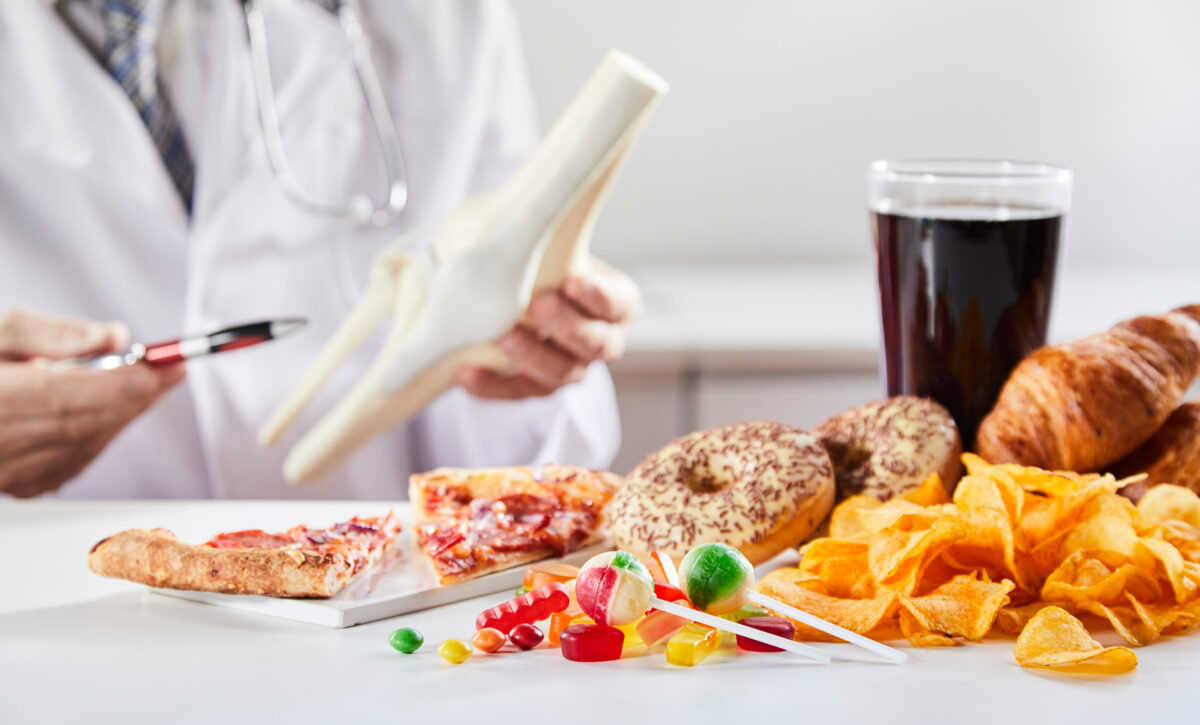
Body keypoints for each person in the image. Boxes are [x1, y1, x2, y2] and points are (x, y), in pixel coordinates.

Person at [0, 0, 639, 499]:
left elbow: (513, 454)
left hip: (372, 605)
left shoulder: (435, 18)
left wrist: (529, 358)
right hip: (56, 610)